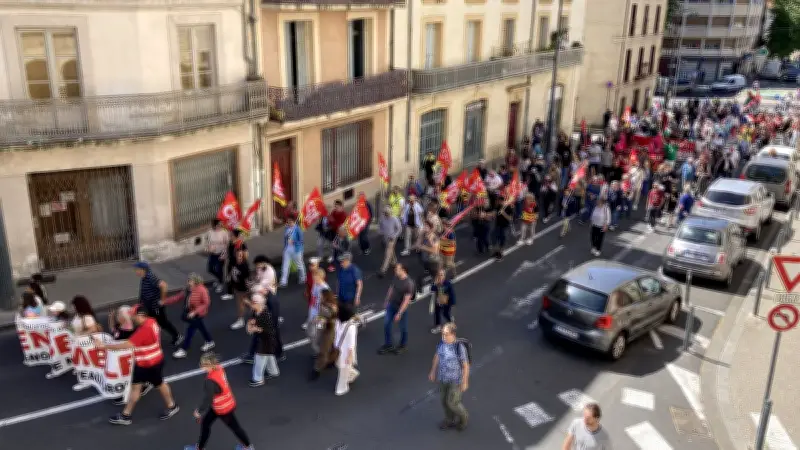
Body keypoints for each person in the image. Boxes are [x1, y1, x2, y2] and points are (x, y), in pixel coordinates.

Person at [104, 306, 179, 425]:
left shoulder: (145, 329)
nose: (132, 317)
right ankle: (126, 415)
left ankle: (172, 406)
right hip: (149, 361)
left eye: (133, 315)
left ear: (141, 315)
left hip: (149, 364)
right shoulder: (151, 322)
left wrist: (104, 346)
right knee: (139, 386)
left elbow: (127, 344)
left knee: (159, 384)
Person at [193, 352, 254, 450]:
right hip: (226, 403)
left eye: (203, 364)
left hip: (222, 408)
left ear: (210, 365)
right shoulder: (219, 368)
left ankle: (248, 447)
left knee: (234, 427)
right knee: (206, 423)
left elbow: (208, 399)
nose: (201, 366)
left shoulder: (210, 381)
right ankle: (200, 447)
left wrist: (199, 411)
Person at [107, 305, 153, 405]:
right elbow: (113, 330)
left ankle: (127, 394)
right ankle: (143, 384)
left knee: (130, 376)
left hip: (128, 358)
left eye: (119, 314)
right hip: (121, 358)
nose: (117, 316)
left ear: (124, 317)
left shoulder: (129, 331)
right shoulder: (121, 327)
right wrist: (111, 317)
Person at [428, 323, 469, 431]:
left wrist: (465, 382)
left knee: (452, 402)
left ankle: (463, 418)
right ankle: (449, 420)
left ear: (453, 334)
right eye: (443, 334)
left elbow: (465, 365)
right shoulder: (442, 343)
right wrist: (433, 371)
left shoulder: (459, 347)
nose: (443, 337)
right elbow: (437, 356)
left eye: (446, 334)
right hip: (443, 378)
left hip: (455, 380)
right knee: (444, 401)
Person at [164, 273, 215, 359]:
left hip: (198, 314)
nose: (188, 282)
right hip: (190, 312)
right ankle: (209, 341)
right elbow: (178, 297)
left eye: (190, 281)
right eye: (188, 280)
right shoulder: (187, 289)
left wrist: (195, 312)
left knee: (190, 330)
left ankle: (184, 349)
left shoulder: (202, 290)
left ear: (195, 281)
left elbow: (206, 303)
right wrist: (165, 301)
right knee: (201, 327)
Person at [134, 261, 182, 346]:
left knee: (163, 323)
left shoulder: (150, 277)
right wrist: (140, 302)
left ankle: (177, 336)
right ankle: (148, 339)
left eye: (137, 269)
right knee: (147, 322)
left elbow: (164, 285)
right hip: (148, 306)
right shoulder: (144, 277)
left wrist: (162, 300)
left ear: (142, 270)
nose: (135, 271)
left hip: (156, 307)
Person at [379, 263, 415, 355]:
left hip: (400, 307)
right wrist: (387, 300)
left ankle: (403, 345)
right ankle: (388, 344)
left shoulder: (409, 283)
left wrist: (399, 313)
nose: (395, 270)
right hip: (391, 305)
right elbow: (391, 288)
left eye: (397, 269)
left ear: (403, 270)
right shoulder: (396, 277)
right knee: (386, 324)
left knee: (403, 328)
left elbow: (406, 300)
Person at [247, 293, 280, 387]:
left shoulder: (265, 315)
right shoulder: (257, 311)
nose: (251, 304)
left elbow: (269, 330)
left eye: (253, 302)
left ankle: (258, 379)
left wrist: (256, 328)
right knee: (269, 356)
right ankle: (273, 371)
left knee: (259, 359)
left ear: (259, 303)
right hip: (265, 339)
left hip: (266, 340)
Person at [310, 289, 339, 381]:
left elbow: (330, 318)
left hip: (328, 330)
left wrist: (321, 320)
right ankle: (332, 360)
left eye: (321, 296)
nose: (320, 297)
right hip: (333, 329)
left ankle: (317, 369)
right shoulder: (332, 305)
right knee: (334, 346)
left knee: (323, 350)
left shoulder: (328, 307)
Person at [334, 306, 360, 396]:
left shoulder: (351, 327)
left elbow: (351, 344)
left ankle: (342, 388)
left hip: (346, 351)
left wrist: (349, 356)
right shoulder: (338, 321)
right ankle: (352, 374)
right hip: (339, 349)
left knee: (343, 368)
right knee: (340, 365)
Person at [279, 214, 306, 287]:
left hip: (296, 250)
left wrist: (294, 242)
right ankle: (283, 281)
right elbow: (285, 238)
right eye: (288, 222)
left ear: (294, 222)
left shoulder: (298, 229)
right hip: (287, 249)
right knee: (285, 265)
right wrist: (285, 247)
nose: (289, 223)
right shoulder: (287, 228)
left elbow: (301, 241)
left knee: (299, 265)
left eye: (290, 222)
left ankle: (303, 278)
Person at [228, 249, 252, 331]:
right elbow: (232, 273)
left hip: (243, 288)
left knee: (241, 304)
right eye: (238, 255)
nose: (239, 257)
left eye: (241, 255)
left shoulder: (244, 266)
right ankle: (260, 312)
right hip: (237, 287)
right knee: (246, 302)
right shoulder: (235, 263)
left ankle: (241, 320)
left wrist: (248, 289)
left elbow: (247, 279)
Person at [378, 207, 402, 277]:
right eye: (386, 213)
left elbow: (399, 229)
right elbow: (380, 227)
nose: (387, 215)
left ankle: (383, 270)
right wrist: (380, 232)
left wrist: (394, 236)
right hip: (385, 238)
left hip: (392, 239)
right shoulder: (382, 218)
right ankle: (395, 262)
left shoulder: (394, 219)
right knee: (391, 251)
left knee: (387, 253)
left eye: (388, 213)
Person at [206, 219, 229, 294]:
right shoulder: (210, 232)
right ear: (215, 225)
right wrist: (208, 248)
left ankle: (221, 284)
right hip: (212, 253)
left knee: (219, 269)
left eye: (221, 224)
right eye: (219, 224)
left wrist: (225, 254)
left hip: (221, 253)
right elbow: (208, 242)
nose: (221, 226)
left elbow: (227, 244)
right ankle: (219, 279)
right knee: (210, 269)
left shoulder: (224, 232)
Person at [430, 269, 456, 333]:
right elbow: (432, 289)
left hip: (447, 302)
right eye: (439, 275)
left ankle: (450, 321)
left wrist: (452, 303)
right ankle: (438, 326)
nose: (440, 276)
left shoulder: (448, 284)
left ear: (444, 276)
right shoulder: (436, 283)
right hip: (438, 301)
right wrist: (435, 283)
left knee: (445, 313)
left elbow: (452, 294)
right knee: (437, 313)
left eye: (441, 275)